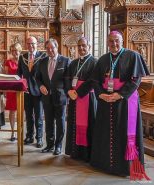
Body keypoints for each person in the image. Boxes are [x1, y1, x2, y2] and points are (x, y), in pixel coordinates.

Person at [90, 31, 150, 180]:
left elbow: (136, 80)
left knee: (123, 132)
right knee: (105, 132)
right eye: (111, 41)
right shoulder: (103, 59)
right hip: (106, 101)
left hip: (125, 101)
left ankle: (124, 167)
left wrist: (120, 94)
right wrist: (100, 94)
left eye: (117, 41)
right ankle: (105, 164)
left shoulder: (133, 56)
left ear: (122, 41)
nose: (114, 44)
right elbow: (95, 80)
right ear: (107, 42)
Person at [64, 37, 97, 161]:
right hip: (74, 98)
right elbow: (67, 78)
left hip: (87, 98)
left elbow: (92, 81)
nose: (81, 48)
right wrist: (69, 91)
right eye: (79, 46)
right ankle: (75, 152)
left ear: (89, 46)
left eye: (84, 45)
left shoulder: (95, 62)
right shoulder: (73, 62)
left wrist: (78, 93)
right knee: (74, 124)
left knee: (88, 125)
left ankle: (87, 154)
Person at [36, 38, 70, 155]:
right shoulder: (42, 61)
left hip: (60, 98)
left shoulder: (65, 61)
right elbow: (37, 78)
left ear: (57, 47)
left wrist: (66, 95)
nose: (50, 50)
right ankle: (49, 145)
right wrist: (40, 86)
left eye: (52, 48)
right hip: (46, 98)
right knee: (48, 122)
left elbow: (68, 81)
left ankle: (58, 146)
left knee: (60, 122)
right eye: (48, 48)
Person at [17, 36, 46, 148]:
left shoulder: (42, 56)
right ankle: (29, 136)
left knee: (39, 116)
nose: (31, 46)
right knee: (28, 115)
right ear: (26, 45)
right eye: (28, 44)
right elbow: (19, 74)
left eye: (33, 43)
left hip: (38, 91)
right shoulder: (22, 57)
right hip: (26, 91)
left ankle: (39, 138)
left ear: (37, 44)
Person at [4, 43, 22, 142]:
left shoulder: (24, 61)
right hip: (11, 89)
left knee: (23, 111)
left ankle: (21, 130)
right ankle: (13, 132)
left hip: (21, 88)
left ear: (20, 50)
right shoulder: (8, 62)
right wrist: (6, 90)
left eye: (16, 50)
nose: (15, 52)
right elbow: (6, 76)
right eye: (13, 50)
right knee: (12, 111)